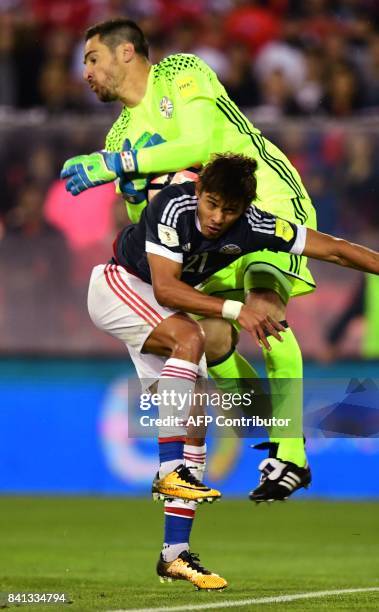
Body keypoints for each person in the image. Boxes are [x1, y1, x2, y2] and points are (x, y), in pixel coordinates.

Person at [85, 152, 379, 588]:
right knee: (193, 338)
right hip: (121, 287)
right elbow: (165, 287)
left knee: (196, 420)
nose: (218, 217)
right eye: (212, 203)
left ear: (245, 209)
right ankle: (170, 473)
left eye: (230, 209)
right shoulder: (174, 205)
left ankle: (175, 554)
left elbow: (334, 249)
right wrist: (235, 309)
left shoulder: (256, 225)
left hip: (159, 311)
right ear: (200, 192)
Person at [61, 17, 317, 503]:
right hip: (204, 231)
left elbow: (201, 144)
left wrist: (124, 166)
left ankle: (288, 455)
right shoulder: (119, 136)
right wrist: (132, 187)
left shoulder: (180, 71)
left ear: (126, 53)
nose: (86, 72)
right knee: (215, 340)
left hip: (264, 198)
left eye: (92, 59)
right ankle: (283, 433)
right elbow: (153, 219)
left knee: (265, 308)